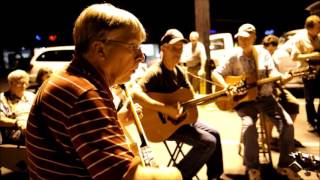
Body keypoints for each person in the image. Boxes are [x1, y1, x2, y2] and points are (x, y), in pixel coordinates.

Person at [25, 3, 181, 180]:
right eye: (133, 46)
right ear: (100, 49)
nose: (141, 56)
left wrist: (116, 120)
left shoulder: (67, 79)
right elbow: (125, 177)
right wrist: (174, 174)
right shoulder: (84, 94)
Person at [211, 23, 299, 180]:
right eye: (240, 38)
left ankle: (285, 165)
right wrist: (226, 86)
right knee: (249, 127)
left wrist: (283, 77)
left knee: (287, 125)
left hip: (266, 98)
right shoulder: (233, 56)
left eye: (246, 38)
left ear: (254, 38)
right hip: (245, 102)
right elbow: (216, 73)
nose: (243, 41)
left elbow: (273, 72)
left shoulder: (263, 53)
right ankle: (253, 168)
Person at [133, 28, 224, 180]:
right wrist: (165, 109)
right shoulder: (155, 72)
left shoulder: (181, 72)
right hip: (165, 128)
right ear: (163, 48)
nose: (178, 52)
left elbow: (192, 98)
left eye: (180, 48)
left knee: (216, 134)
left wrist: (220, 96)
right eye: (174, 48)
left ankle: (214, 176)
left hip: (182, 122)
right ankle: (178, 176)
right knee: (209, 142)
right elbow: (134, 92)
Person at [262, 35, 302, 150]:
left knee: (294, 104)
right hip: (264, 90)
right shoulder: (260, 57)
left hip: (276, 88)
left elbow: (279, 81)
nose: (270, 51)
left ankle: (283, 136)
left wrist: (288, 77)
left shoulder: (274, 59)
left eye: (273, 48)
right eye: (268, 48)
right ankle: (267, 138)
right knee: (269, 105)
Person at [290, 15, 320, 134]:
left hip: (319, 70)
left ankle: (319, 119)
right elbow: (294, 57)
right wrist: (311, 55)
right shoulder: (300, 39)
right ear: (309, 28)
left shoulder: (319, 37)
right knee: (309, 98)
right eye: (318, 27)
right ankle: (312, 121)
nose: (319, 29)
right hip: (307, 71)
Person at [0, 69, 35, 145]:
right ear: (11, 83)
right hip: (16, 131)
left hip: (33, 127)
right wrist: (17, 122)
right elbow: (1, 119)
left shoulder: (31, 96)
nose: (24, 86)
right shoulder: (2, 99)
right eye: (21, 83)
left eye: (26, 82)